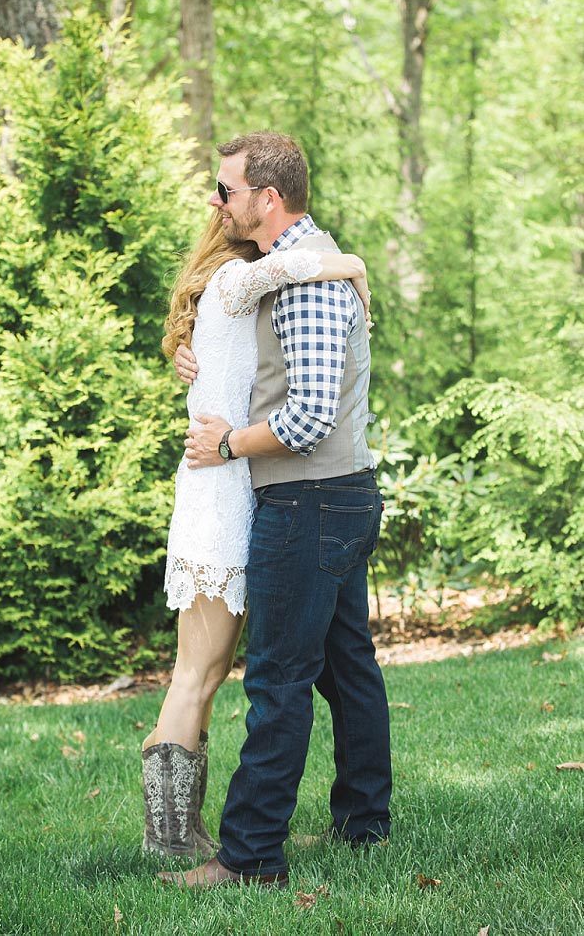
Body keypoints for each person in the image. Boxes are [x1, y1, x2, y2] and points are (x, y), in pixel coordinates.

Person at [159, 131, 391, 889]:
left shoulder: (306, 279)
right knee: (346, 666)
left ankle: (251, 855)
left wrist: (228, 445)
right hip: (335, 496)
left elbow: (310, 417)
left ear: (267, 198)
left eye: (226, 190)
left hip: (308, 498)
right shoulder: (286, 268)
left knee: (279, 680)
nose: (216, 202)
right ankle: (365, 825)